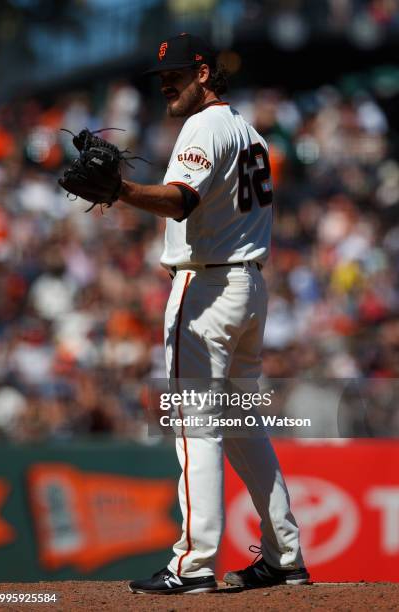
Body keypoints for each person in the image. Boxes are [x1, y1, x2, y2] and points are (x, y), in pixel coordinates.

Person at [120, 33, 309, 594]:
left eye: (176, 73)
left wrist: (122, 189)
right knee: (243, 427)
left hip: (206, 289)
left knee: (195, 426)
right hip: (246, 287)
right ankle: (284, 555)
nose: (167, 84)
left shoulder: (201, 127)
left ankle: (193, 564)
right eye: (161, 78)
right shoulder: (246, 129)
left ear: (204, 72)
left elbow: (181, 199)